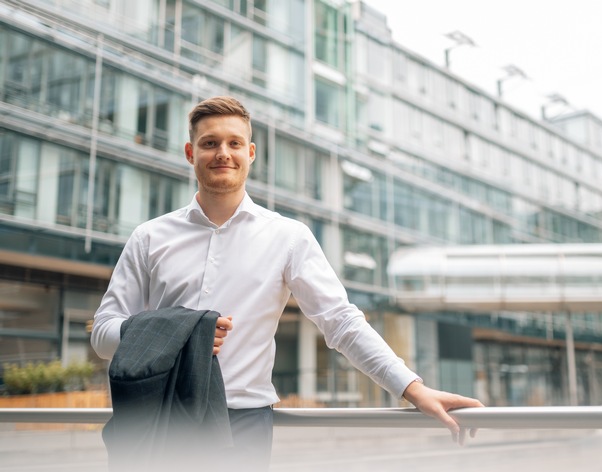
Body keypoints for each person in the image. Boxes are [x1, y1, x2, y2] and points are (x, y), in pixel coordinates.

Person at [91, 96, 483, 470]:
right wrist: (175, 334)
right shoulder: (149, 237)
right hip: (156, 419)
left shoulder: (288, 237)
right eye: (209, 143)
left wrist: (413, 389)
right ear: (191, 153)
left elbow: (341, 322)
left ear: (251, 153)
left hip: (242, 426)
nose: (223, 153)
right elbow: (103, 333)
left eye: (234, 143)